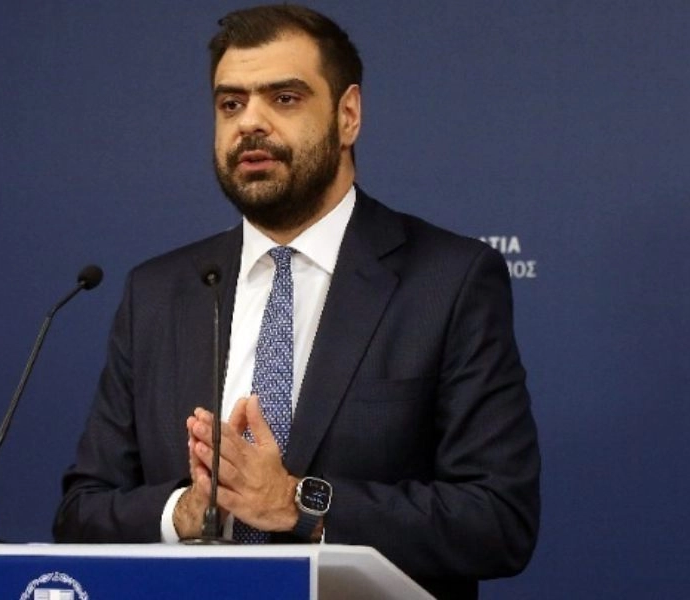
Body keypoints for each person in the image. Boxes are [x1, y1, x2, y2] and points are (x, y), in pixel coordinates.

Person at [53, 4, 540, 598]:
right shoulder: (157, 292)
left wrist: (295, 503)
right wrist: (183, 513)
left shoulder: (448, 280)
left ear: (348, 116)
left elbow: (496, 519)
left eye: (284, 98)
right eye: (230, 104)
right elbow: (82, 511)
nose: (250, 123)